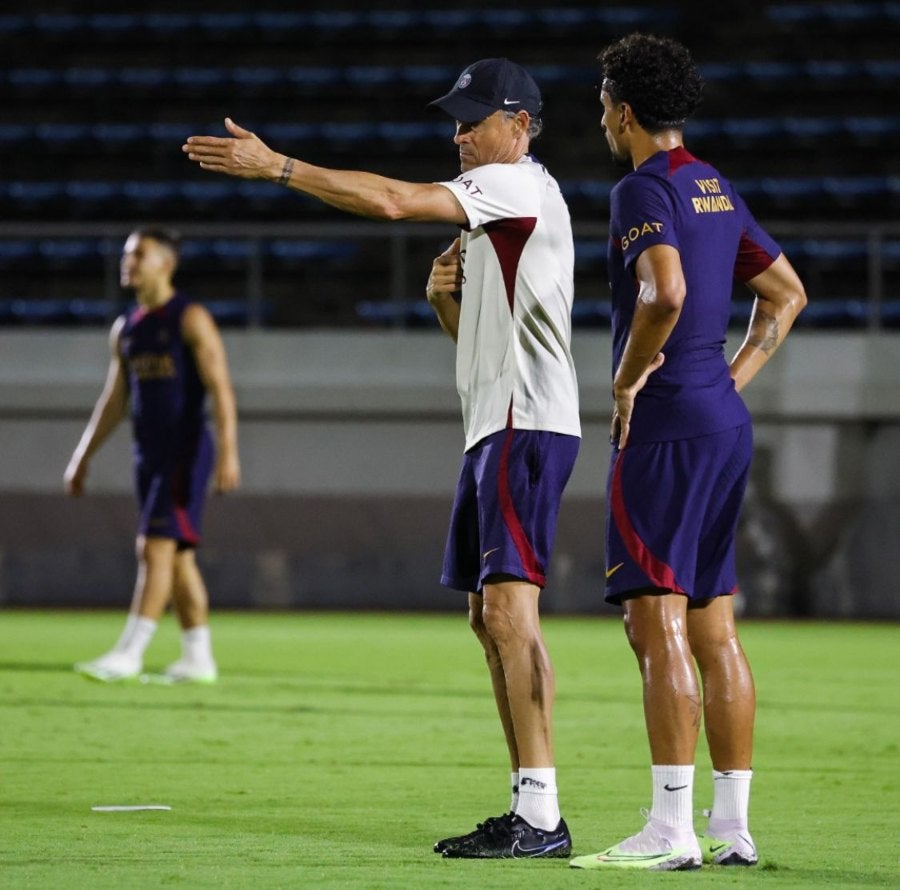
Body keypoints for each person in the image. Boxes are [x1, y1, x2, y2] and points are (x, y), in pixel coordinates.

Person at [183, 57, 581, 859]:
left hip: (524, 427)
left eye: (475, 119)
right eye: (457, 121)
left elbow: (396, 200)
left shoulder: (518, 185)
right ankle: (530, 807)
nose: (461, 134)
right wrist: (445, 304)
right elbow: (479, 348)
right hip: (495, 426)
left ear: (521, 126)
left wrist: (279, 167)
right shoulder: (500, 207)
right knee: (488, 616)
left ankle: (542, 816)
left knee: (509, 615)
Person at [569, 34, 807, 872]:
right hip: (719, 423)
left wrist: (629, 381)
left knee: (652, 618)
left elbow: (662, 291)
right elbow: (788, 294)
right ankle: (732, 827)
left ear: (624, 111)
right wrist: (732, 377)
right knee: (714, 623)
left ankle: (671, 828)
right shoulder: (712, 182)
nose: (600, 117)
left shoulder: (642, 187)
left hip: (665, 426)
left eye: (602, 103)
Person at [65, 228, 241, 684]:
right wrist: (83, 455)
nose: (128, 261)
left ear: (166, 263)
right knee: (177, 559)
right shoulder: (127, 328)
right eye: (126, 254)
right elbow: (114, 397)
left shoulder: (190, 318)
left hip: (185, 452)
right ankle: (197, 658)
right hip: (149, 454)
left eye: (138, 253)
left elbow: (221, 389)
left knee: (153, 546)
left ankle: (130, 652)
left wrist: (228, 453)